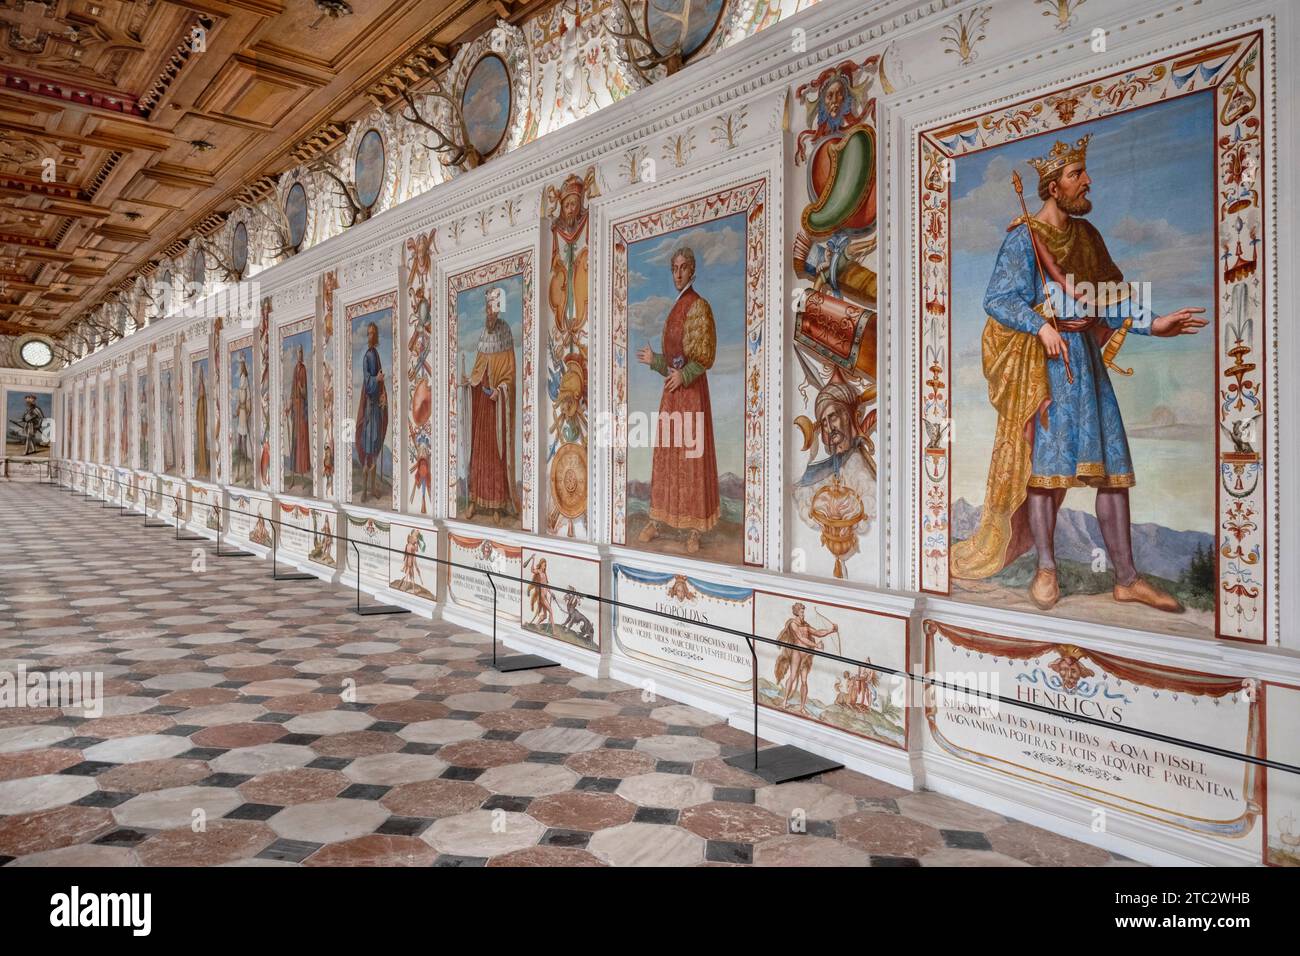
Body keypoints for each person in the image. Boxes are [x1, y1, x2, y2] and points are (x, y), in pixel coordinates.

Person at [952, 135, 1207, 613]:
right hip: (1045, 367)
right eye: (1077, 175)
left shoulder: (1088, 238)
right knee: (1047, 472)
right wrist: (1040, 326)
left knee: (1112, 471)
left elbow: (1109, 302)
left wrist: (1155, 323)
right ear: (1053, 187)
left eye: (1083, 174)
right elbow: (998, 300)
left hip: (1085, 363)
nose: (1087, 182)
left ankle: (1126, 579)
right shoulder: (1022, 238)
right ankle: (1046, 569)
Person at [635, 245, 719, 554]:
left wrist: (684, 376)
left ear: (692, 271)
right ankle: (659, 520)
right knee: (668, 456)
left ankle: (694, 529)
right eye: (674, 268)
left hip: (692, 394)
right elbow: (673, 361)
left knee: (691, 456)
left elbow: (703, 356)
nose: (678, 273)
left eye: (683, 267)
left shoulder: (699, 306)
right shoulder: (675, 307)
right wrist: (654, 360)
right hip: (672, 395)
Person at [464, 287, 517, 520]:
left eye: (494, 309)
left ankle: (497, 505)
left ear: (499, 309)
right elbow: (479, 371)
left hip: (496, 410)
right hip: (482, 409)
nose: (490, 314)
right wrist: (470, 382)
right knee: (478, 453)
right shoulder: (483, 337)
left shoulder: (505, 333)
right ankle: (475, 501)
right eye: (487, 309)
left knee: (495, 455)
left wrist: (501, 390)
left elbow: (509, 376)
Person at [773, 602, 837, 715]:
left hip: (806, 655)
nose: (803, 613)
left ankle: (802, 707)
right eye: (802, 611)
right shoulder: (793, 624)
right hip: (797, 653)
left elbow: (817, 632)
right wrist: (816, 645)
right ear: (797, 612)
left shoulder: (806, 625)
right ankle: (784, 702)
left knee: (804, 681)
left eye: (803, 611)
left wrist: (830, 630)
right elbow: (801, 638)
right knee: (792, 677)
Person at [354, 321, 389, 500]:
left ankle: (373, 489)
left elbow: (380, 383)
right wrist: (377, 379)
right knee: (368, 446)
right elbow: (368, 382)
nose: (371, 336)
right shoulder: (367, 356)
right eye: (368, 333)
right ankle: (365, 490)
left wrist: (383, 396)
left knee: (375, 448)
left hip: (376, 407)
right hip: (369, 407)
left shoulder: (376, 354)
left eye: (373, 333)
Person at [287, 344, 311, 478]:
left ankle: (302, 470)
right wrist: (289, 408)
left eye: (301, 352)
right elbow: (292, 392)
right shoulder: (295, 369)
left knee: (302, 438)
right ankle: (295, 469)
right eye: (298, 353)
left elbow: (304, 392)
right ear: (296, 354)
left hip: (302, 408)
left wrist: (301, 387)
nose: (300, 355)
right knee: (295, 438)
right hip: (295, 409)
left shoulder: (303, 369)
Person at [233, 355, 252, 482]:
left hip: (244, 414)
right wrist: (237, 410)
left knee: (243, 442)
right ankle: (240, 473)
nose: (239, 367)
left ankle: (245, 473)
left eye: (240, 365)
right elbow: (239, 401)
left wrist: (246, 410)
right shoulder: (241, 382)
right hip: (241, 413)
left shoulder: (245, 381)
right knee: (239, 442)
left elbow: (247, 399)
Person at [194, 367, 209, 477]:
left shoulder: (203, 401)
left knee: (203, 446)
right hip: (199, 428)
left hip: (202, 428)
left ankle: (204, 468)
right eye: (199, 388)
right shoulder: (199, 401)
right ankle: (200, 466)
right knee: (199, 446)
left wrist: (203, 423)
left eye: (201, 388)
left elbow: (204, 415)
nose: (200, 390)